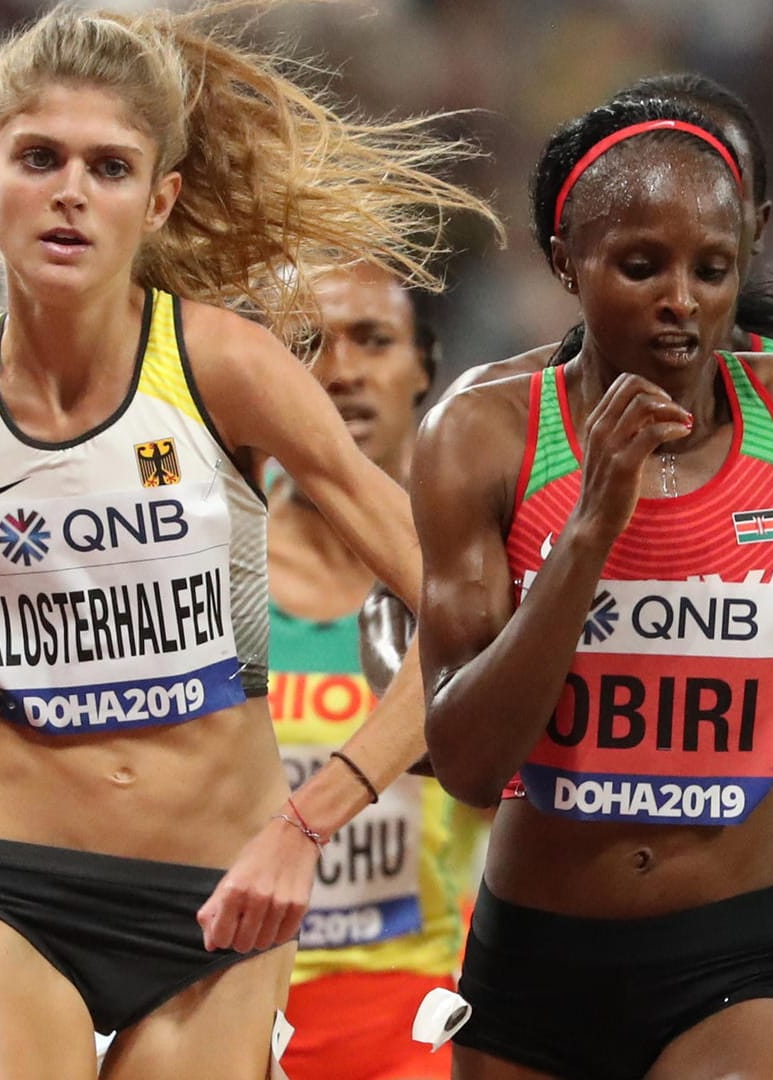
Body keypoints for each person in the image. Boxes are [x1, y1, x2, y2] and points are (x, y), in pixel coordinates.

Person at [0, 6, 497, 1077]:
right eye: (39, 158)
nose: (71, 193)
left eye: (111, 166)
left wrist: (311, 822)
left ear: (159, 197)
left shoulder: (226, 367)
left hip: (221, 894)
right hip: (12, 881)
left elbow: (461, 618)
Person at [415, 96, 773, 1079]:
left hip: (753, 949)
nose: (680, 299)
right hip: (538, 955)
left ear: (746, 255)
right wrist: (590, 529)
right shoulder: (483, 434)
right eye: (642, 267)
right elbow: (467, 765)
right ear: (566, 262)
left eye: (711, 269)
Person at [267, 265, 481, 1080]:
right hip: (235, 1004)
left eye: (373, 340)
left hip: (426, 1019)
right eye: (309, 344)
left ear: (424, 367)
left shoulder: (480, 573)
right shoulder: (208, 566)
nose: (341, 370)